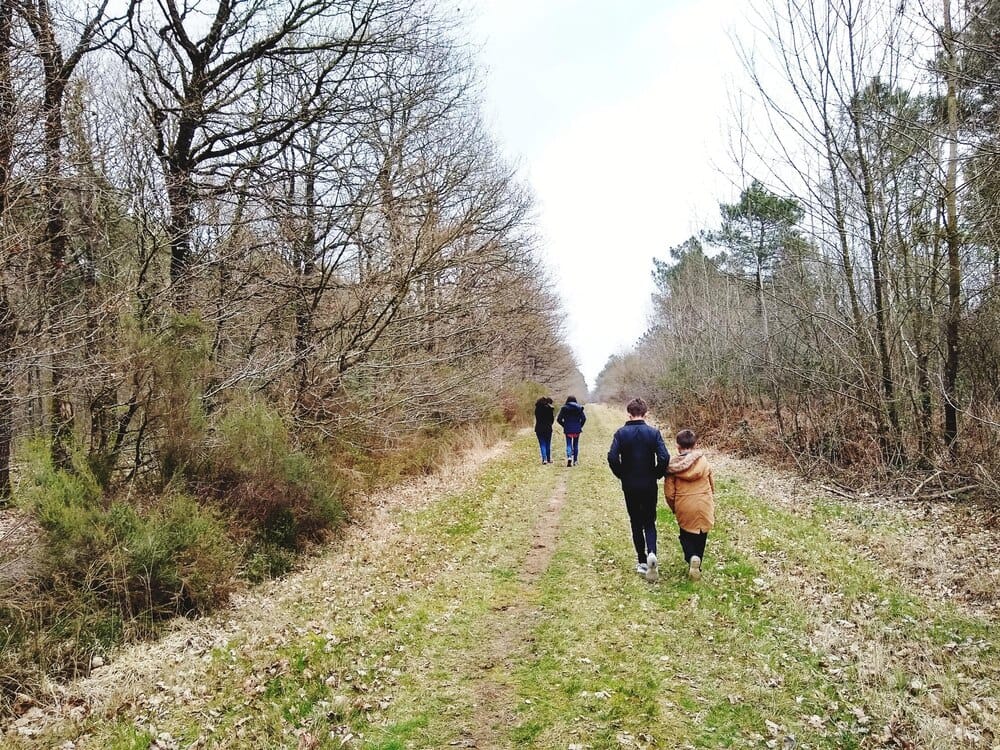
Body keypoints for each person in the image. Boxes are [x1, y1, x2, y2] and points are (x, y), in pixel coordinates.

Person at [607, 397, 670, 582]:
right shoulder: (653, 433)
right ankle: (652, 552)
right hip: (649, 483)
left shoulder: (620, 433)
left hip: (630, 484)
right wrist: (657, 474)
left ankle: (642, 561)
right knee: (649, 521)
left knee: (636, 521)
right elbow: (664, 457)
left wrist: (621, 474)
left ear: (628, 413)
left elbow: (612, 457)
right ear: (646, 413)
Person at [664, 428, 715, 581]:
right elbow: (712, 485)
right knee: (702, 535)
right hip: (704, 502)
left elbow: (669, 493)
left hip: (684, 503)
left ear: (677, 446)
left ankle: (691, 557)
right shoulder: (704, 462)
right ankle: (697, 562)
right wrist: (710, 499)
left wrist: (674, 507)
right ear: (695, 445)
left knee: (685, 535)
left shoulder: (672, 468)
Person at [556, 395, 586, 466]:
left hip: (568, 429)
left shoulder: (564, 408)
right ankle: (575, 461)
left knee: (568, 444)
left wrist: (564, 425)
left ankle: (569, 457)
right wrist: (580, 425)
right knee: (575, 444)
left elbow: (559, 419)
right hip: (576, 429)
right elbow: (584, 418)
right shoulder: (579, 408)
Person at [533, 396, 555, 464]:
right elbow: (552, 419)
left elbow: (537, 418)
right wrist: (550, 424)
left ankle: (544, 459)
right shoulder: (549, 409)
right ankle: (548, 458)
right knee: (548, 444)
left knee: (542, 444)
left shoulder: (537, 409)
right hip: (548, 428)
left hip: (539, 428)